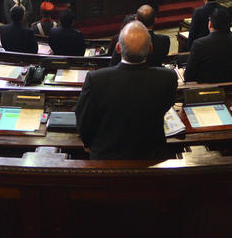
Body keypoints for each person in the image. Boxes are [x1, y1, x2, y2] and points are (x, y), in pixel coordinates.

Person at [75, 20, 178, 160]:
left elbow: (84, 120)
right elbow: (166, 105)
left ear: (118, 48)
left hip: (107, 158)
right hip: (152, 156)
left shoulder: (96, 79)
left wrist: (88, 143)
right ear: (151, 48)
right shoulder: (168, 77)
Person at [185, 7, 232, 84]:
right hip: (227, 84)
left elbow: (188, 76)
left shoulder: (199, 44)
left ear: (210, 24)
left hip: (203, 88)